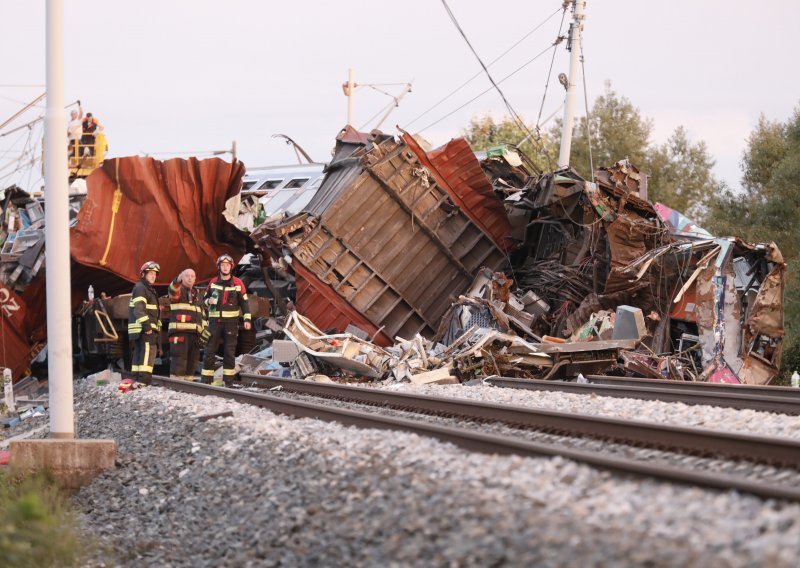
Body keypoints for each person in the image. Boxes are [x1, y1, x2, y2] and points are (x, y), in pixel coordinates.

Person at [201, 254, 251, 386]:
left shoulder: (238, 283)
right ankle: (206, 381)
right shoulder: (213, 283)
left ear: (231, 267)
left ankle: (228, 382)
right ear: (219, 267)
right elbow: (203, 300)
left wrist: (247, 320)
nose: (225, 267)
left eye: (227, 265)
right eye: (222, 265)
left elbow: (244, 303)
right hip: (214, 322)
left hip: (231, 323)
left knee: (229, 352)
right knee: (209, 350)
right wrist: (208, 301)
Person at [167, 268, 207, 381]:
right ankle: (177, 384)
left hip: (195, 335)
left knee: (192, 362)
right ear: (182, 277)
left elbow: (202, 315)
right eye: (187, 276)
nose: (190, 278)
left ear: (195, 279)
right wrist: (177, 281)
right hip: (180, 333)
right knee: (179, 359)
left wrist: (203, 333)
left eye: (192, 276)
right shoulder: (178, 291)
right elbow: (172, 289)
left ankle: (187, 386)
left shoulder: (197, 295)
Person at [128, 261, 162, 385]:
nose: (153, 276)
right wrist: (147, 326)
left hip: (141, 328)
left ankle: (137, 379)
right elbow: (139, 309)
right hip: (145, 328)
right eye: (151, 273)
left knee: (140, 352)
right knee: (148, 352)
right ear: (143, 274)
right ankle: (144, 381)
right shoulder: (141, 288)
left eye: (155, 274)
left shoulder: (145, 288)